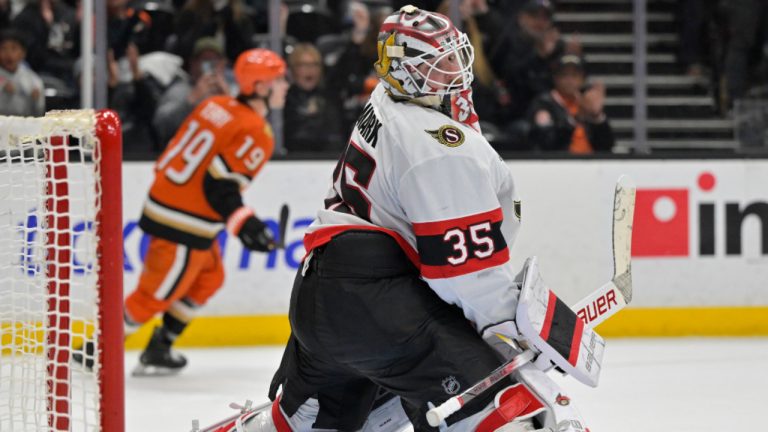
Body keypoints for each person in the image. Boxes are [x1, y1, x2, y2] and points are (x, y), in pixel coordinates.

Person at [212, 6, 592, 432]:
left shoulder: (385, 98)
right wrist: (512, 328)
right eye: (440, 62)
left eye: (454, 55)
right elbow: (465, 277)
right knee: (506, 413)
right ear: (411, 73)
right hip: (382, 309)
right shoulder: (436, 149)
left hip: (321, 297)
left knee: (306, 424)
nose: (456, 69)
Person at [74, 48, 289, 375]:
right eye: (279, 80)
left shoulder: (215, 105)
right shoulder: (257, 131)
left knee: (208, 278)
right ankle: (89, 355)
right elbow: (218, 185)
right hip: (184, 222)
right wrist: (246, 224)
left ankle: (159, 349)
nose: (285, 85)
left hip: (169, 204)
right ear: (260, 87)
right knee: (153, 296)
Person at [527, 54, 614, 153]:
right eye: (564, 75)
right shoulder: (544, 104)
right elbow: (547, 143)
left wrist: (596, 116)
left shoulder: (588, 101)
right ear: (555, 78)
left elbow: (607, 146)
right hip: (561, 163)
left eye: (575, 75)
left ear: (582, 79)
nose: (570, 80)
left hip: (591, 163)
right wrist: (576, 119)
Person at [283, 42, 344, 153]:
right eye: (303, 64)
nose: (310, 69)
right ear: (292, 69)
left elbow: (337, 136)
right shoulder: (283, 99)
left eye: (315, 64)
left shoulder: (331, 97)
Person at [0, 29, 45, 117]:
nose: (8, 54)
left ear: (23, 53)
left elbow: (39, 114)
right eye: (3, 48)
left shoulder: (33, 80)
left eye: (14, 48)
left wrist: (36, 100)